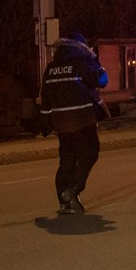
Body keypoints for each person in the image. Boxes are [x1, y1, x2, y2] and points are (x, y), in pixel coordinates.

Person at [39, 32, 108, 214]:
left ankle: (64, 201)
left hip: (62, 124)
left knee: (67, 160)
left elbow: (45, 98)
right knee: (90, 154)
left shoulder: (50, 69)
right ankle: (73, 189)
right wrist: (98, 65)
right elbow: (101, 81)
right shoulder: (80, 64)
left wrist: (46, 122)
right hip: (83, 120)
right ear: (81, 48)